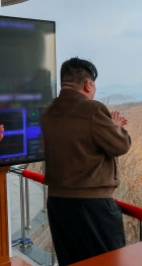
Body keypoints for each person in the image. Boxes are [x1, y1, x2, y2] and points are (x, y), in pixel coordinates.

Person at [41, 57, 131, 266]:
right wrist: (117, 127)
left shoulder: (49, 112)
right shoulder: (92, 110)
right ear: (88, 84)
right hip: (92, 206)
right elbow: (120, 146)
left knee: (71, 261)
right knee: (108, 261)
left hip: (58, 204)